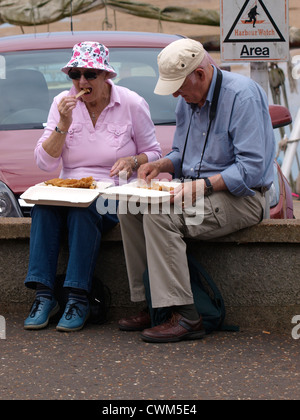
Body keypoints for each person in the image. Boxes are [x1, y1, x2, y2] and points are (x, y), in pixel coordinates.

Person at [118, 38, 275, 343]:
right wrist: (161, 165)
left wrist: (201, 186)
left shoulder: (241, 96)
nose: (176, 94)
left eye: (179, 85)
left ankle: (188, 317)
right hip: (199, 190)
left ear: (201, 74)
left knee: (160, 218)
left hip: (244, 197)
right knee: (129, 208)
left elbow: (251, 170)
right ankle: (154, 306)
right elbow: (182, 154)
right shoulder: (188, 99)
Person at [24, 41, 162, 332]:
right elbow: (45, 164)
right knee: (43, 209)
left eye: (90, 74)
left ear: (106, 76)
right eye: (75, 75)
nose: (82, 82)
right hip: (70, 188)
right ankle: (44, 296)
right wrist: (63, 122)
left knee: (84, 211)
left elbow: (155, 153)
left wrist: (132, 160)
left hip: (112, 191)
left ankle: (78, 297)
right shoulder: (63, 104)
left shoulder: (132, 104)